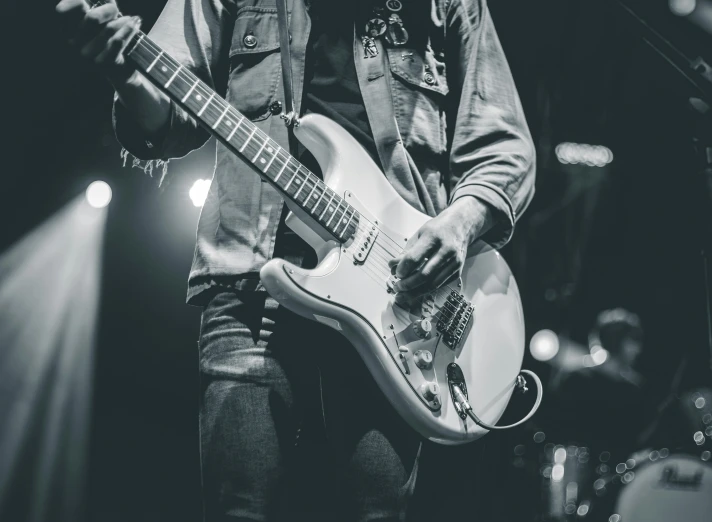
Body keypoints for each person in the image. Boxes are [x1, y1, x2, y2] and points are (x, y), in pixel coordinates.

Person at [56, 0, 536, 520]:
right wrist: (125, 71)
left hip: (397, 301)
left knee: (373, 512)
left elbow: (503, 143)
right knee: (239, 508)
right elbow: (168, 115)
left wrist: (460, 224)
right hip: (247, 282)